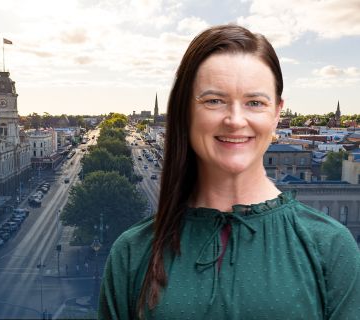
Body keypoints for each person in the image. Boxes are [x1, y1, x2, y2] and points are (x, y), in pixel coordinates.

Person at [98, 24, 360, 319]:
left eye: (254, 102)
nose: (235, 120)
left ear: (276, 113)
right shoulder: (133, 252)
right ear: (185, 111)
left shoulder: (331, 248)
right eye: (214, 101)